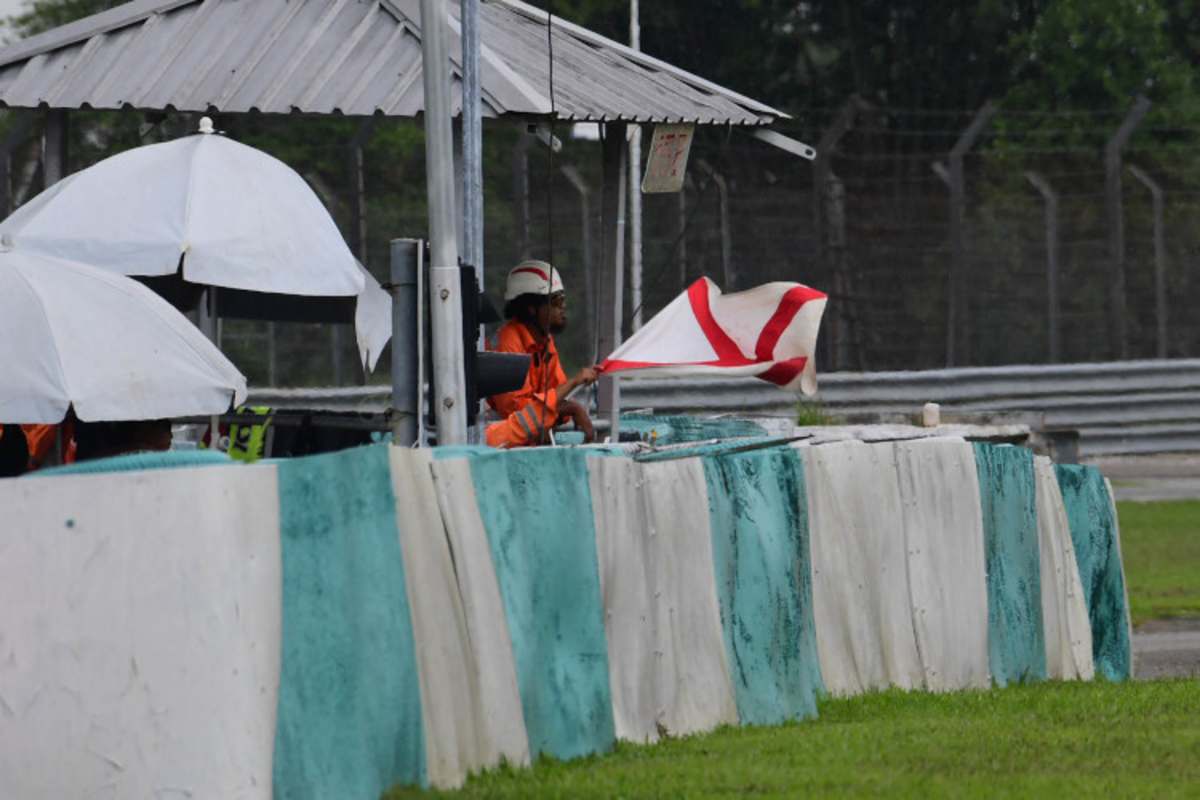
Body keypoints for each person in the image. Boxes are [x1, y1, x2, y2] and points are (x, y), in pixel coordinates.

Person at [485, 260, 599, 448]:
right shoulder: (508, 343)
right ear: (531, 308)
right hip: (497, 445)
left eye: (563, 299)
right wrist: (573, 392)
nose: (563, 307)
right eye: (555, 301)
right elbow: (521, 415)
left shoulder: (543, 341)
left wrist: (568, 408)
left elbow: (556, 395)